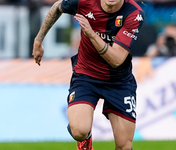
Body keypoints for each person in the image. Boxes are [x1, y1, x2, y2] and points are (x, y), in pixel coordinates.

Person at [32, 0, 144, 150]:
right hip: (86, 76)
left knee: (124, 146)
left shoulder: (134, 14)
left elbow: (116, 60)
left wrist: (91, 34)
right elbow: (57, 7)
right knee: (79, 131)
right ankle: (86, 140)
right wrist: (38, 40)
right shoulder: (83, 2)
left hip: (119, 82)